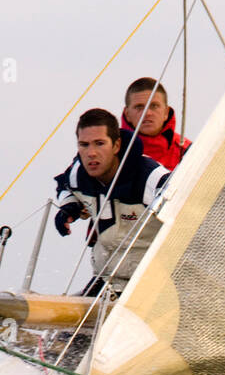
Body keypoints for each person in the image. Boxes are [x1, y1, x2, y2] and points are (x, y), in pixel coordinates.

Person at [54, 107, 169, 295]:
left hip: (152, 284)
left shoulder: (151, 178)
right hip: (106, 279)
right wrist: (69, 207)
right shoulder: (78, 174)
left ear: (116, 146)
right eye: (84, 145)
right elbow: (63, 186)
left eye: (99, 143)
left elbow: (190, 209)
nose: (91, 153)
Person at [121, 78, 190, 170]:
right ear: (127, 114)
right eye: (139, 107)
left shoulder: (189, 153)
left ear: (166, 112)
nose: (147, 113)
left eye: (154, 106)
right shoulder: (111, 154)